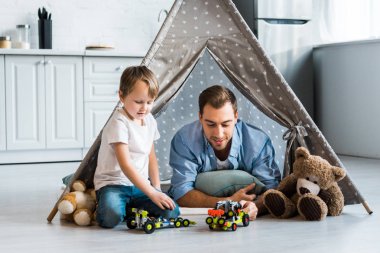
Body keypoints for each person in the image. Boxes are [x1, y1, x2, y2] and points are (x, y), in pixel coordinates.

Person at [169, 85, 281, 220]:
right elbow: (181, 192)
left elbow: (273, 189)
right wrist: (228, 201)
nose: (219, 134)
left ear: (236, 117)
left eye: (226, 124)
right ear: (200, 117)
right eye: (210, 124)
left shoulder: (258, 142)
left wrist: (255, 206)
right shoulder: (184, 140)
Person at [94, 66, 179, 228]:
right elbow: (125, 165)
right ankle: (111, 207)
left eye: (149, 102)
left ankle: (131, 210)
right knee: (110, 218)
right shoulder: (118, 122)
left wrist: (157, 189)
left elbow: (151, 156)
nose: (144, 108)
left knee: (172, 212)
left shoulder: (149, 120)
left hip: (140, 186)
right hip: (114, 185)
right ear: (121, 96)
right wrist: (152, 193)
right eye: (139, 102)